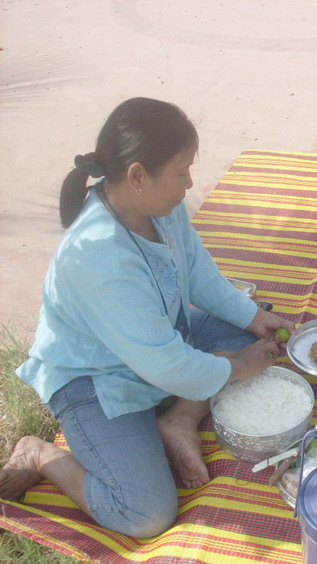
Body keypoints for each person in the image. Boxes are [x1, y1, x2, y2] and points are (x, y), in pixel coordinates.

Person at [0, 97, 294, 538]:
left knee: (256, 333)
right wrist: (238, 366)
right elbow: (167, 365)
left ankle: (177, 420)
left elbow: (197, 272)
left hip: (159, 341)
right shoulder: (100, 258)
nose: (189, 183)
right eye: (181, 172)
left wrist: (252, 318)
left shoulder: (161, 209)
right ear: (138, 175)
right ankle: (41, 455)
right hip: (97, 380)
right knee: (146, 513)